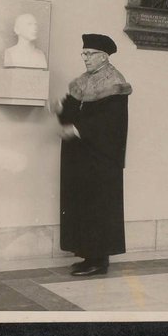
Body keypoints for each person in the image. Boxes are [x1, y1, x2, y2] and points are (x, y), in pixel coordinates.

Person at [53, 34, 132, 276]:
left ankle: (99, 261)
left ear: (104, 57)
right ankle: (88, 256)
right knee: (82, 205)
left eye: (90, 54)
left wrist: (77, 129)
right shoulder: (83, 81)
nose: (85, 58)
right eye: (84, 53)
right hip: (80, 156)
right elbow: (72, 110)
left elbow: (110, 122)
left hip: (101, 158)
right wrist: (60, 109)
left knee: (98, 207)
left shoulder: (115, 83)